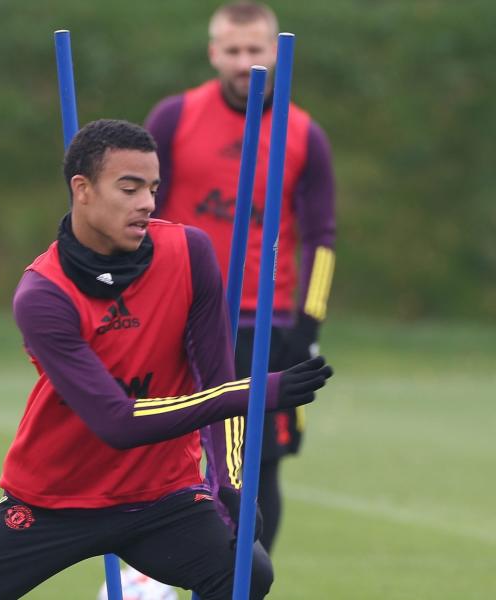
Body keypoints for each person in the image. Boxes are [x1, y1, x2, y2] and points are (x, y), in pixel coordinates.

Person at [0, 119, 332, 600]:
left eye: (153, 188)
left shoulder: (189, 252)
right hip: (58, 497)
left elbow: (215, 379)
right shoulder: (43, 294)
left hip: (163, 497)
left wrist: (231, 484)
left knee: (247, 575)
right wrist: (256, 392)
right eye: (130, 188)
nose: (147, 203)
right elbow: (116, 420)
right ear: (83, 190)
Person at [144, 1, 336, 554]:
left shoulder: (304, 134)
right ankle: (153, 579)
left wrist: (307, 323)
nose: (244, 61)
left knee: (258, 469)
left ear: (275, 51)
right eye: (232, 50)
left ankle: (245, 583)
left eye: (255, 49)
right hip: (183, 315)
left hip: (266, 324)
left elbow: (322, 237)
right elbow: (143, 213)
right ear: (213, 52)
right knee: (169, 459)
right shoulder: (174, 118)